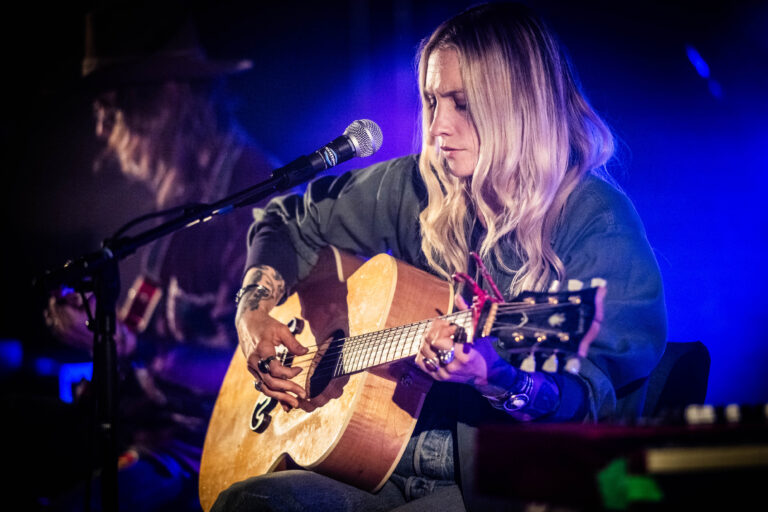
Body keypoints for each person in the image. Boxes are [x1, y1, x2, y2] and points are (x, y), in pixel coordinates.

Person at [214, 3, 666, 511]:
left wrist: (501, 380)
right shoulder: (423, 185)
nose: (436, 130)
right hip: (379, 459)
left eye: (463, 103)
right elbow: (288, 218)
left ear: (518, 105)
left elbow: (593, 399)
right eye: (432, 101)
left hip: (495, 480)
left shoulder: (595, 220)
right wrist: (252, 312)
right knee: (249, 502)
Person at [41, 5, 275, 511]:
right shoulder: (177, 197)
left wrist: (137, 351)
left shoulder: (249, 200)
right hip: (146, 435)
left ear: (166, 99)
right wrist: (97, 328)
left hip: (209, 450)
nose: (102, 131)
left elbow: (263, 366)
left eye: (112, 109)